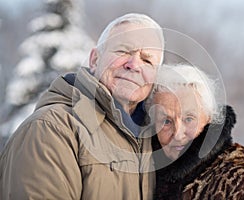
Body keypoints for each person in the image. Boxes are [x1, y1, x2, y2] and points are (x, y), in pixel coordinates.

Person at [0, 13, 164, 199]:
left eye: (147, 60)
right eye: (123, 51)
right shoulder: (52, 129)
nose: (134, 65)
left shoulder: (154, 142)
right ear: (94, 60)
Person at [146, 64, 244, 199]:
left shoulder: (243, 183)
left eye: (189, 119)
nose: (178, 134)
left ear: (210, 118)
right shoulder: (149, 172)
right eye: (166, 122)